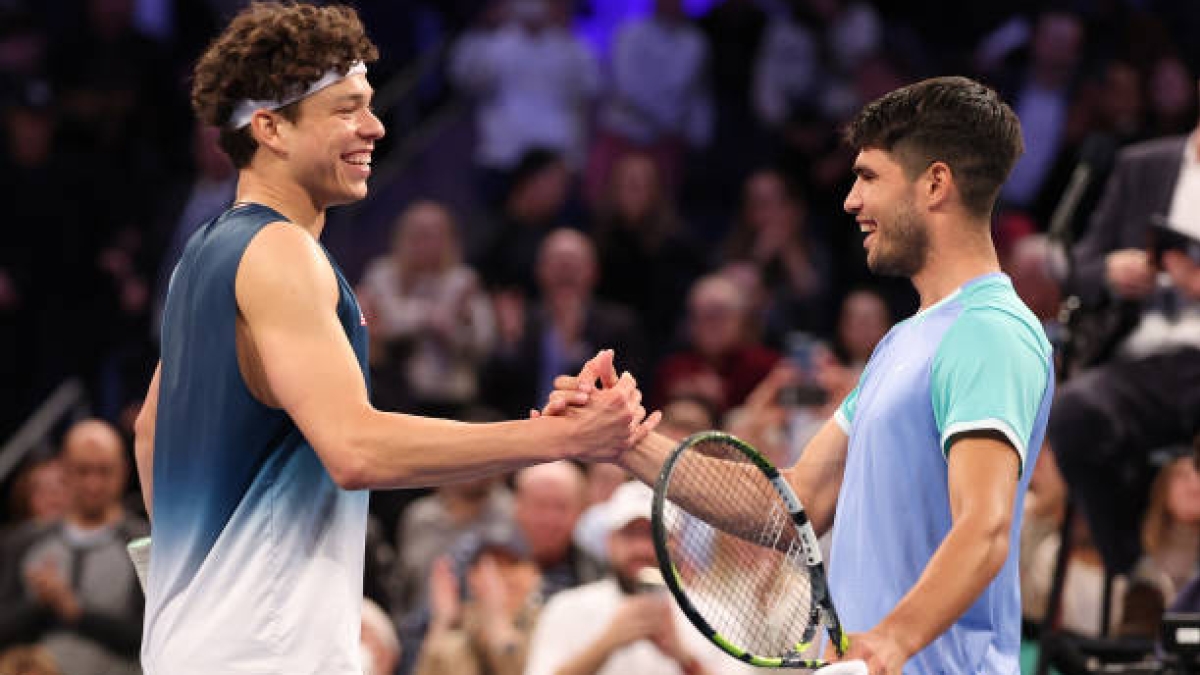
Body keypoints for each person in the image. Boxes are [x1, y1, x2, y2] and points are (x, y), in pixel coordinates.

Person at [132, 4, 652, 675]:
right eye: (347, 108)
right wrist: (563, 440)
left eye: (371, 106)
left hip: (201, 645)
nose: (374, 126)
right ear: (271, 128)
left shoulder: (205, 254)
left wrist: (196, 582)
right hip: (262, 653)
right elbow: (354, 447)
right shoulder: (279, 252)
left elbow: (150, 432)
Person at [546, 76, 1053, 674]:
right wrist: (624, 442)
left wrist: (892, 639)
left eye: (868, 177)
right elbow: (790, 502)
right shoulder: (902, 342)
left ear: (935, 184)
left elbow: (986, 527)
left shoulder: (991, 332)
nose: (851, 202)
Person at [1047, 87, 1200, 577]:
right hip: (1142, 364)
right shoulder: (1143, 167)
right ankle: (1134, 573)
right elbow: (1077, 270)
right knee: (1072, 412)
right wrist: (1112, 272)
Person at [523, 481, 750, 675]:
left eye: (654, 535)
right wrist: (606, 644)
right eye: (630, 534)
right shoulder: (567, 608)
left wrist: (684, 658)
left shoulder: (714, 617)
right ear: (609, 541)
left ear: (676, 543)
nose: (642, 548)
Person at [0, 419, 148, 675]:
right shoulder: (24, 542)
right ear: (64, 469)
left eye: (104, 471)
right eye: (83, 470)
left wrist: (76, 611)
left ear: (123, 471)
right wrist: (40, 605)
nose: (93, 484)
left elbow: (151, 634)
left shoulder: (143, 543)